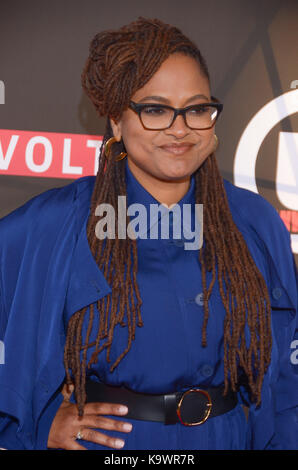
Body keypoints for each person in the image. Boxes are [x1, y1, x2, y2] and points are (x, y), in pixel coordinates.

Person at [0, 17, 297, 451]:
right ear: (117, 122)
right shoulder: (57, 222)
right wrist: (36, 423)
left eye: (196, 109)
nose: (180, 129)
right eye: (155, 109)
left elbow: (288, 366)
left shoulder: (255, 221)